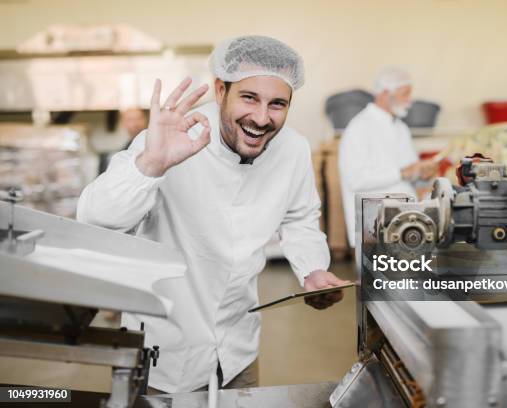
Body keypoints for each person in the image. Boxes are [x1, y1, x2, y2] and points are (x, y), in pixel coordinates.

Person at [77, 35, 349, 394]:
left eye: (278, 104)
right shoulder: (170, 137)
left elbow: (299, 218)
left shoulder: (293, 149)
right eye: (249, 97)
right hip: (165, 350)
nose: (262, 118)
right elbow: (96, 218)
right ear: (221, 90)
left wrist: (312, 268)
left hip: (238, 348)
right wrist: (150, 165)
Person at [338, 66, 437, 248]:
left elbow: (409, 172)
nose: (409, 101)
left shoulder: (400, 128)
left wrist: (423, 173)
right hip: (375, 229)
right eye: (404, 94)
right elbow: (356, 180)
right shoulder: (359, 128)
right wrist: (403, 173)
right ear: (385, 93)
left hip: (405, 224)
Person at [97, 108, 148, 174]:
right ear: (123, 123)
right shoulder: (122, 152)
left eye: (138, 118)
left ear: (146, 120)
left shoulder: (154, 145)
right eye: (130, 120)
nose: (136, 124)